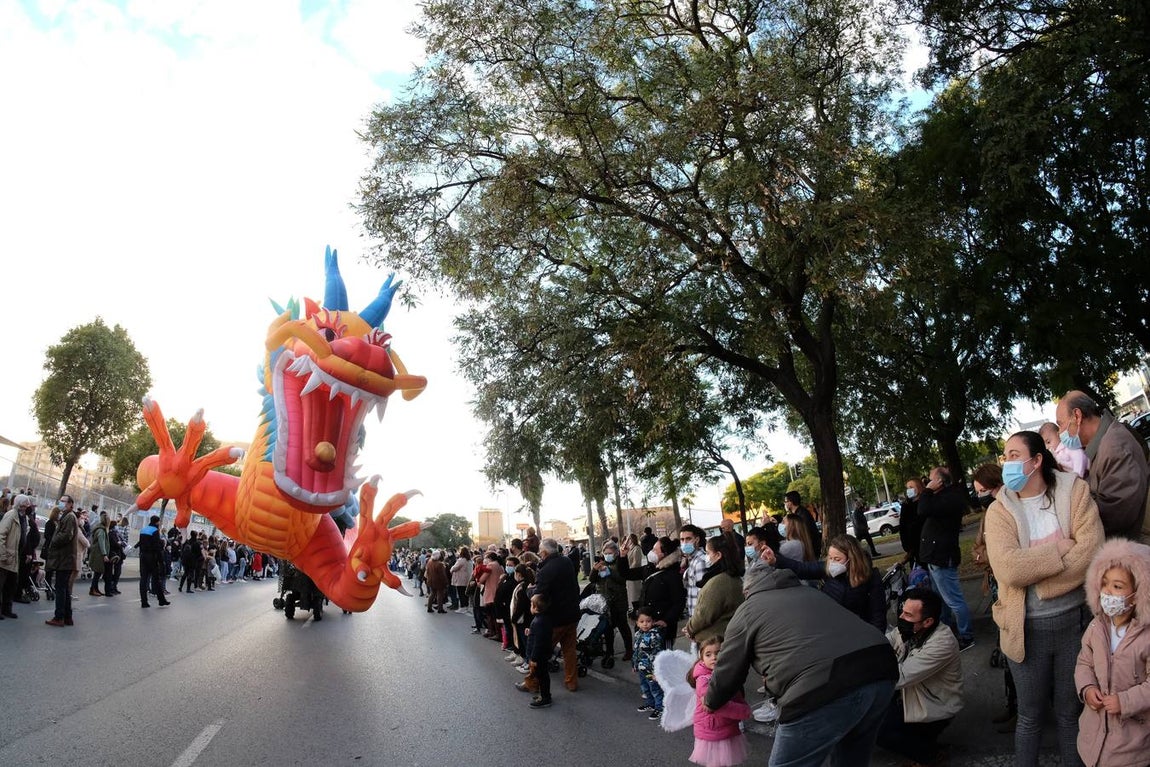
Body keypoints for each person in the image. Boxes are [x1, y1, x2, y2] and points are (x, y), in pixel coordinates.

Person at [984, 430, 1104, 767]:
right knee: (1030, 715)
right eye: (1005, 455)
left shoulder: (1074, 492)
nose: (1006, 462)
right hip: (1025, 630)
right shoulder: (1000, 511)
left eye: (1012, 454)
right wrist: (1058, 551)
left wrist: (1042, 580)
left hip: (1074, 624)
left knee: (1070, 713)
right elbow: (1008, 569)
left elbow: (1090, 552)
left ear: (1036, 461)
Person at [704, 561, 898, 767]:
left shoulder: (747, 610)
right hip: (881, 668)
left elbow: (728, 669)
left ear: (747, 590)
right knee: (851, 758)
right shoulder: (812, 593)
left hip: (820, 688)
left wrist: (711, 701)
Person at [1075, 538, 1150, 766]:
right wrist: (1087, 689)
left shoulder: (1146, 637)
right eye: (1105, 583)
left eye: (1118, 586)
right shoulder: (1097, 627)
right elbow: (1084, 663)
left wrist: (1125, 701)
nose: (1108, 591)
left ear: (1138, 594)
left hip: (1132, 747)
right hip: (1093, 739)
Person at [876, 588, 963, 766]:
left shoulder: (942, 643)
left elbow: (898, 677)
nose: (901, 617)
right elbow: (885, 642)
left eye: (908, 615)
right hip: (910, 694)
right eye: (902, 610)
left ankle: (930, 755)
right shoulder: (909, 629)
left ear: (928, 621)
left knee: (879, 731)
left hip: (933, 703)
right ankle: (920, 741)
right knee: (872, 716)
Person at [1057, 390, 1150, 539]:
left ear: (1077, 416)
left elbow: (1114, 517)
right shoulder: (1103, 445)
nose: (1059, 433)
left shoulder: (1114, 449)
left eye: (1060, 424)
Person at [971, 462, 1017, 734]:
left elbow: (1005, 553)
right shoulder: (988, 513)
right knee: (1006, 651)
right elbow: (978, 549)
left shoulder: (1011, 509)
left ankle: (1023, 709)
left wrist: (989, 555)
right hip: (997, 585)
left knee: (1017, 652)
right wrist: (986, 555)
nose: (979, 496)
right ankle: (1012, 704)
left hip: (1012, 588)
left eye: (981, 490)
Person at [766, 534, 888, 631]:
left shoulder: (870, 578)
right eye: (830, 557)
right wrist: (776, 560)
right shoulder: (828, 569)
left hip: (857, 633)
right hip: (830, 630)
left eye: (837, 559)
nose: (832, 562)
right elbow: (802, 568)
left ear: (852, 559)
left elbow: (878, 616)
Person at [918, 466, 976, 650]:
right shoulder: (943, 497)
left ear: (940, 481)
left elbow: (923, 509)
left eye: (931, 479)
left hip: (942, 557)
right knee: (940, 599)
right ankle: (946, 630)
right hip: (935, 557)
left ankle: (966, 636)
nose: (928, 482)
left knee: (954, 600)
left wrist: (927, 490)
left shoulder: (950, 498)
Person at [526, 538, 581, 692]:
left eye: (539, 551)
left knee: (540, 652)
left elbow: (538, 595)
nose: (538, 554)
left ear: (544, 552)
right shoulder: (566, 561)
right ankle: (571, 682)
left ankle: (533, 681)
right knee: (569, 651)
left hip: (555, 618)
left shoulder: (547, 570)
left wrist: (529, 590)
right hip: (571, 614)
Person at [688, 635, 750, 767]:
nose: (714, 657)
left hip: (725, 725)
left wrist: (743, 706)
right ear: (702, 658)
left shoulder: (726, 673)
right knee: (715, 762)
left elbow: (737, 695)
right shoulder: (703, 680)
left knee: (723, 761)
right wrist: (744, 711)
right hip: (712, 728)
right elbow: (713, 704)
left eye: (718, 653)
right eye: (708, 654)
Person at [683, 536, 744, 646]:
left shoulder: (719, 582)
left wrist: (690, 628)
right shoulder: (733, 577)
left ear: (718, 555)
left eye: (708, 553)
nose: (706, 557)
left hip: (715, 642)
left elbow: (704, 615)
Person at [589, 540, 633, 661]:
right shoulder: (600, 563)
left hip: (619, 600)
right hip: (604, 601)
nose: (608, 555)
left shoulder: (620, 562)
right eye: (605, 552)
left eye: (610, 552)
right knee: (607, 628)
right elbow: (592, 580)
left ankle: (629, 650)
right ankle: (609, 652)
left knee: (623, 626)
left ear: (615, 553)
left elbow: (622, 579)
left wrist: (609, 572)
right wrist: (594, 570)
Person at [641, 536, 687, 645]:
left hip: (663, 630)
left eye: (655, 550)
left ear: (664, 553)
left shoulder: (672, 575)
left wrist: (666, 620)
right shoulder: (652, 568)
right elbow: (627, 573)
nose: (651, 552)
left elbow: (679, 602)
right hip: (647, 625)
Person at [44, 495, 78, 627]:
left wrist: (54, 540)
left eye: (64, 501)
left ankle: (59, 617)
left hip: (65, 559)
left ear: (70, 504)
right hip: (65, 559)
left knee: (60, 588)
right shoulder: (67, 516)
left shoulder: (69, 516)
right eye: (61, 501)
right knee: (64, 589)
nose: (61, 503)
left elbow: (66, 535)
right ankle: (67, 616)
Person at [517, 593, 554, 709]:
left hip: (539, 656)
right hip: (542, 655)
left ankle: (545, 698)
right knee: (542, 676)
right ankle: (545, 695)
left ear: (536, 608)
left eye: (531, 605)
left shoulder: (539, 622)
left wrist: (533, 658)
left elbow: (538, 643)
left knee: (542, 677)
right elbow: (539, 636)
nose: (530, 607)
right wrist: (530, 632)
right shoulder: (542, 619)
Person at [633, 606, 667, 720]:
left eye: (648, 621)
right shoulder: (638, 635)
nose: (645, 624)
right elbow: (636, 651)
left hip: (651, 670)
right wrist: (634, 664)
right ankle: (650, 703)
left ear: (653, 622)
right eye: (642, 621)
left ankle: (660, 708)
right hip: (641, 668)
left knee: (655, 689)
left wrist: (656, 671)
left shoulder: (654, 635)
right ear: (637, 623)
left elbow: (657, 653)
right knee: (645, 687)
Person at [0, 494, 30, 619]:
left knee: (11, 585)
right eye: (24, 505)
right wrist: (2, 554)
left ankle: (7, 609)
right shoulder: (11, 515)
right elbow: (1, 535)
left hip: (15, 556)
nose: (26, 507)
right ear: (19, 505)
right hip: (7, 555)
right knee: (1, 584)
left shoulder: (23, 517)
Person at [135, 514, 171, 608]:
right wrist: (161, 561)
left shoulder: (143, 529)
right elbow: (157, 547)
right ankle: (161, 600)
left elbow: (140, 542)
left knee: (143, 578)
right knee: (156, 579)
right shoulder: (155, 531)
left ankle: (144, 601)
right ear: (157, 522)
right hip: (152, 557)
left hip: (142, 556)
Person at [679, 524, 709, 618]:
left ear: (697, 540)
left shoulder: (700, 561)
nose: (684, 543)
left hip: (699, 619)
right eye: (682, 540)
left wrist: (695, 624)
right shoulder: (692, 560)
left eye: (688, 539)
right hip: (694, 617)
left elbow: (703, 597)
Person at [900, 478, 924, 565]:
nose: (909, 490)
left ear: (919, 487)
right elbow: (902, 527)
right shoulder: (906, 505)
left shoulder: (925, 502)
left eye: (911, 487)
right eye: (907, 488)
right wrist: (906, 546)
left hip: (925, 544)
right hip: (912, 548)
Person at [88, 512, 110, 597]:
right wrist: (104, 554)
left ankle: (95, 589)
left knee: (98, 573)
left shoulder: (101, 529)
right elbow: (101, 543)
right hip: (98, 554)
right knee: (97, 573)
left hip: (98, 553)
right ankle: (93, 589)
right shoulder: (101, 530)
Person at [424, 549, 448, 613]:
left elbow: (427, 571)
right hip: (438, 582)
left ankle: (429, 608)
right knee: (440, 595)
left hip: (431, 581)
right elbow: (442, 575)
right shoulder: (439, 564)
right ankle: (440, 609)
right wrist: (446, 582)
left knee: (432, 594)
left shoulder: (429, 562)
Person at [449, 546, 472, 611]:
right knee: (465, 593)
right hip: (468, 579)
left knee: (461, 593)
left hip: (461, 580)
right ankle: (466, 606)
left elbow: (454, 568)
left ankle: (462, 607)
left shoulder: (461, 560)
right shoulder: (470, 560)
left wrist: (451, 570)